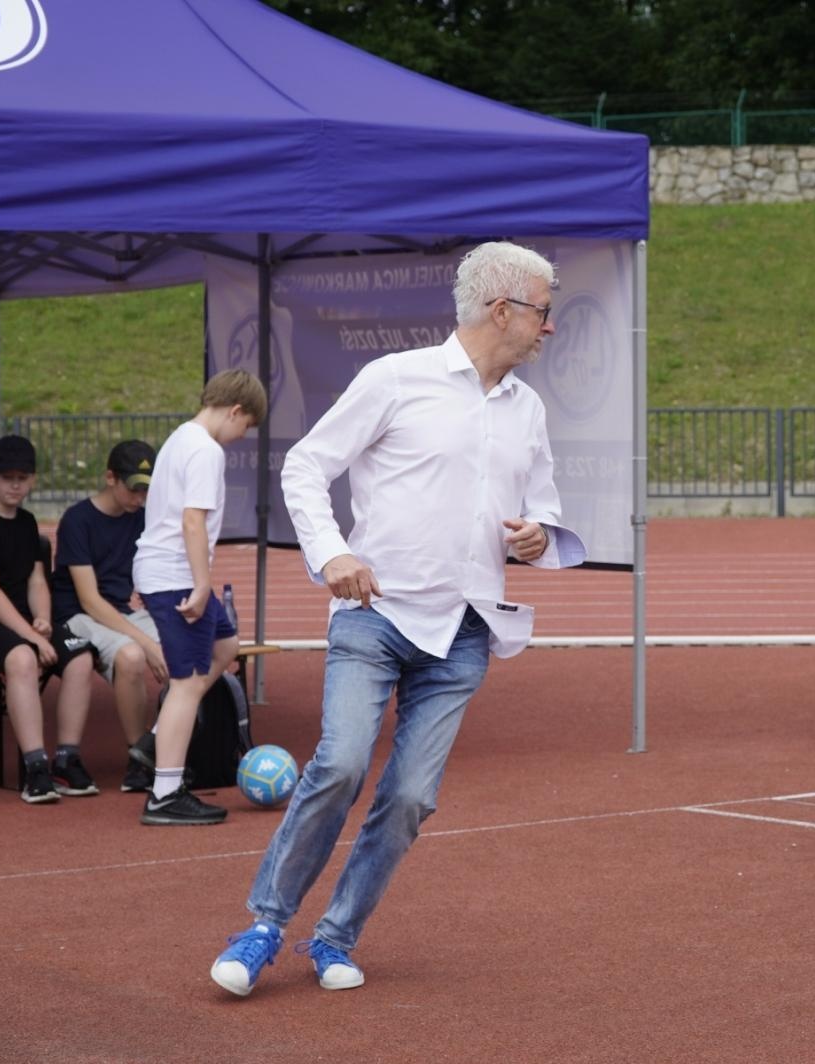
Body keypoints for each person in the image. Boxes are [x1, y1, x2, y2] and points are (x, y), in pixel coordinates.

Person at [209, 241, 586, 997]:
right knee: (342, 764)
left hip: (466, 631)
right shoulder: (395, 378)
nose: (550, 328)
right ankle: (262, 926)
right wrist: (331, 554)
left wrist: (540, 531)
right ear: (502, 309)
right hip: (373, 616)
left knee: (411, 797)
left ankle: (336, 936)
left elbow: (542, 502)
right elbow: (307, 466)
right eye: (544, 312)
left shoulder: (527, 408)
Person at [132, 370, 266, 826]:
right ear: (234, 411)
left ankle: (155, 739)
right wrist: (203, 583)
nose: (240, 436)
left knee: (225, 646)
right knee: (187, 684)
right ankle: (165, 794)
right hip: (175, 576)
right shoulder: (207, 450)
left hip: (165, 570)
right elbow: (193, 521)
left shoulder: (180, 437)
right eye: (245, 427)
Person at [0, 435, 97, 803]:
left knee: (81, 658)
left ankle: (66, 759)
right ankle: (35, 767)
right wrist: (31, 638)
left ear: (33, 479)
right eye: (7, 477)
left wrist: (43, 621)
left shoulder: (28, 521)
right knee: (22, 658)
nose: (15, 484)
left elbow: (37, 578)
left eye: (23, 477)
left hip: (24, 622)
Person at [51, 440, 169, 794]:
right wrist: (147, 643)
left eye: (147, 489)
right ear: (110, 478)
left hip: (120, 611)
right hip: (77, 614)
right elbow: (89, 600)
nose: (141, 498)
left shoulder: (142, 517)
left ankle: (166, 744)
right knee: (132, 655)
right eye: (134, 489)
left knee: (190, 650)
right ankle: (140, 758)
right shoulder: (78, 520)